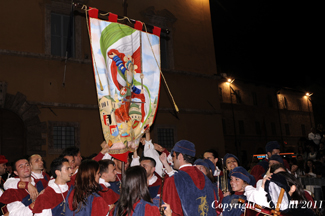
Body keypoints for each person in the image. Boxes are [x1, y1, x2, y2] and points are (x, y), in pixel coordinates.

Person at [162, 140, 218, 216]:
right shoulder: (206, 179)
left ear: (180, 156)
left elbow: (168, 211)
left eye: (173, 156)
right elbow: (216, 208)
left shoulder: (173, 180)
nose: (172, 160)